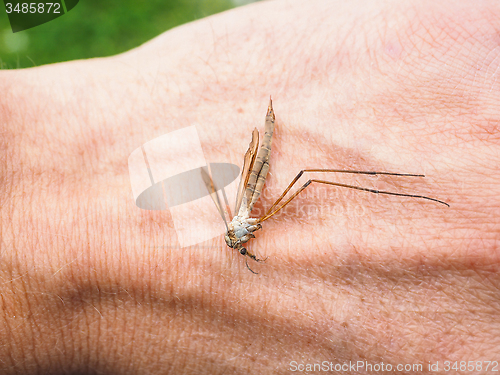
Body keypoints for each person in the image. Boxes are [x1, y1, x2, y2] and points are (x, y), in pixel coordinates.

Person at [1, 0, 498, 373]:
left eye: (239, 245)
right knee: (287, 173)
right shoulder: (239, 230)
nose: (240, 246)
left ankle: (404, 186)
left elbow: (238, 172)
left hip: (254, 184)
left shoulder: (243, 224)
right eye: (238, 245)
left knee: (306, 177)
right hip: (247, 194)